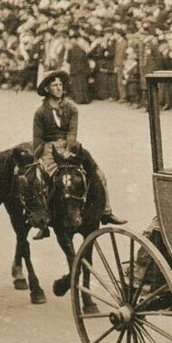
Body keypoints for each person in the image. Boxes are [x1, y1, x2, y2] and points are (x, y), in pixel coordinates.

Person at [32, 70, 123, 226]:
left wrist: (69, 149)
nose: (59, 88)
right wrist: (38, 156)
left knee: (99, 174)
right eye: (54, 85)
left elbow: (72, 132)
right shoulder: (41, 112)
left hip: (70, 146)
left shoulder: (71, 108)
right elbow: (38, 139)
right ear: (47, 89)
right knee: (44, 182)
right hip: (49, 149)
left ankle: (106, 211)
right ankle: (46, 219)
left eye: (60, 85)